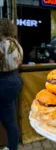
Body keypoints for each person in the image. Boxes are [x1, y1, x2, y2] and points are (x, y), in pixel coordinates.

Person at [0, 18, 24, 150]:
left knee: (9, 121)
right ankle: (11, 146)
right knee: (10, 118)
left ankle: (11, 147)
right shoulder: (15, 42)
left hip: (4, 81)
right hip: (15, 78)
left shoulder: (2, 44)